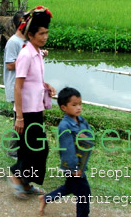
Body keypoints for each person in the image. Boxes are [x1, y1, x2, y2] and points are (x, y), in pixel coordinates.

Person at [8, 6, 56, 199]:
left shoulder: (37, 53)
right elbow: (18, 86)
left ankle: (25, 183)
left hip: (36, 109)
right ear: (31, 34)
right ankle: (17, 177)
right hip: (26, 112)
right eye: (41, 33)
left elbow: (33, 80)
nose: (45, 37)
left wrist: (46, 86)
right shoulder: (26, 55)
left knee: (34, 149)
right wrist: (19, 117)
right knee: (36, 149)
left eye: (46, 33)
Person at [39, 87, 93, 217]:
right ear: (64, 107)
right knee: (84, 194)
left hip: (80, 163)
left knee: (69, 187)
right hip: (73, 166)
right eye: (74, 105)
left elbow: (89, 135)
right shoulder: (64, 126)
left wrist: (85, 136)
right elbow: (67, 149)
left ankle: (46, 198)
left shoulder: (81, 120)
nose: (78, 108)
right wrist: (74, 169)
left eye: (80, 104)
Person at [3, 11, 26, 159]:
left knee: (22, 118)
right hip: (15, 86)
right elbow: (10, 65)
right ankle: (12, 150)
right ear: (22, 24)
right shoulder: (13, 42)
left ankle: (20, 149)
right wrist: (28, 60)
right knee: (18, 119)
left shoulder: (26, 41)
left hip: (25, 87)